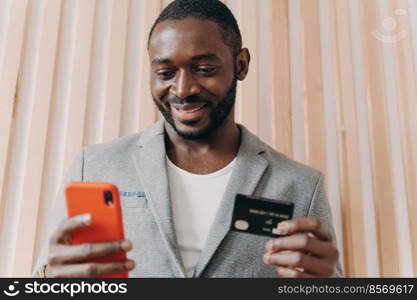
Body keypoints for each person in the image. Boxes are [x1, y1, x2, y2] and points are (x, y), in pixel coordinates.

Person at [33, 0, 342, 278]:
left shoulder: (301, 185)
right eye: (165, 72)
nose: (182, 89)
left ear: (241, 64)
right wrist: (49, 280)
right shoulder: (95, 166)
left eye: (204, 69)